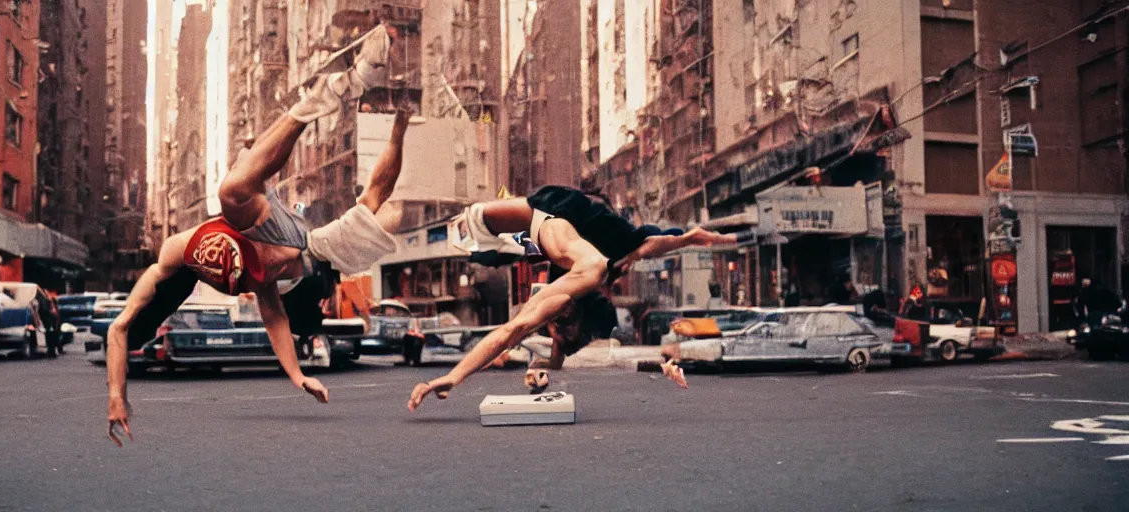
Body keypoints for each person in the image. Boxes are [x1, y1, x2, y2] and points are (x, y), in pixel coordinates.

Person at [105, 27, 409, 447]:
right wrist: (299, 377)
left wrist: (115, 396)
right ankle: (402, 120)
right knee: (383, 211)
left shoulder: (174, 250)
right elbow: (274, 319)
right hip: (308, 245)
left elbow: (119, 330)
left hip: (262, 221)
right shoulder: (241, 281)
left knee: (231, 192)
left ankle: (340, 86)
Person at [407, 186, 739, 411]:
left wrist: (689, 238)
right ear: (569, 312)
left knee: (628, 244)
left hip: (583, 222)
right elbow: (510, 331)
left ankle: (506, 245)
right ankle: (491, 240)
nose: (549, 328)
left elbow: (644, 248)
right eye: (557, 330)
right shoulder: (575, 284)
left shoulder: (603, 270)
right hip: (550, 209)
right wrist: (455, 375)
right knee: (474, 221)